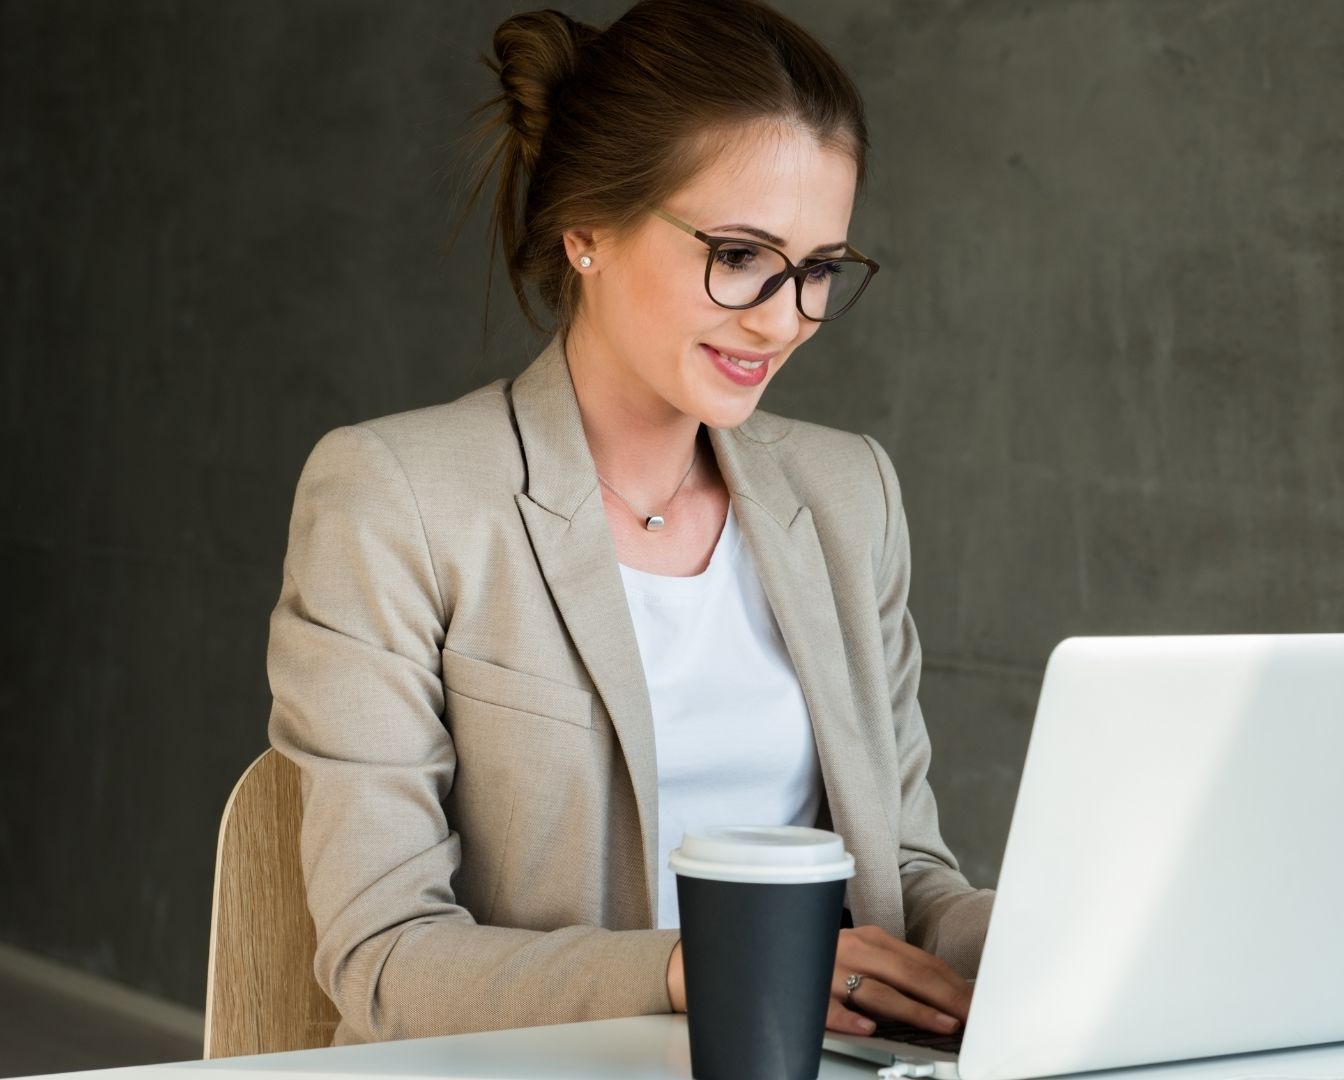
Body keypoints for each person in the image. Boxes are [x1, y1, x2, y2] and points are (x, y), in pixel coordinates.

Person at [266, 0, 992, 1047]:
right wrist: (706, 971)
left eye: (820, 268)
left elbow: (904, 876)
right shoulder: (397, 498)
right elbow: (384, 957)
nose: (785, 317)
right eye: (740, 255)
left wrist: (1048, 937)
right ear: (587, 231)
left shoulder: (848, 495)